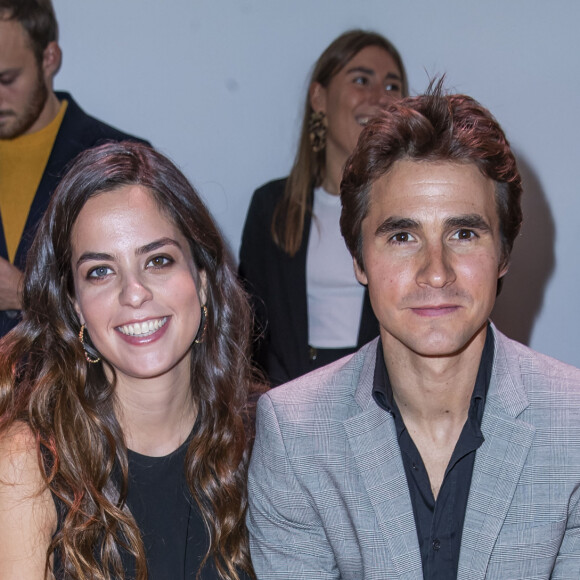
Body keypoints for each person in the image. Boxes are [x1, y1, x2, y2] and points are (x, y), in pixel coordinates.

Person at [246, 84, 580, 579]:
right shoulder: (294, 434)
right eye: (402, 236)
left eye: (463, 233)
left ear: (504, 254)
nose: (436, 272)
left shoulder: (573, 423)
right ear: (359, 259)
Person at [0, 142, 256, 580]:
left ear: (202, 280)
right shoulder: (27, 461)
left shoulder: (271, 440)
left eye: (158, 260)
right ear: (75, 305)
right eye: (100, 271)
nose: (133, 292)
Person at [239, 29, 408, 386]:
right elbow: (248, 332)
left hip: (388, 399)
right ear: (319, 97)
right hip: (287, 404)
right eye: (362, 80)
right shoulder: (270, 207)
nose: (380, 98)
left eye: (393, 87)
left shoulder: (411, 214)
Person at [0, 0, 148, 337]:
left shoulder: (121, 157)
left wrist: (25, 293)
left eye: (7, 79)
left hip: (79, 385)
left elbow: (144, 295)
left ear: (49, 58)